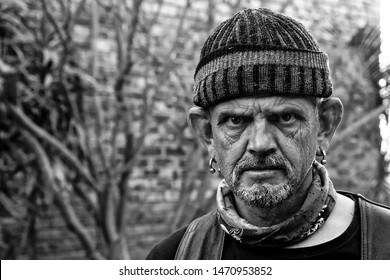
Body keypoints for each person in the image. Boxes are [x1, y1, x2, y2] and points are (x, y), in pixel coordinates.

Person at [146, 7, 390, 260]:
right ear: (207, 134)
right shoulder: (174, 258)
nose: (260, 144)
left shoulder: (383, 241)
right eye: (236, 120)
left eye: (285, 118)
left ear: (324, 126)